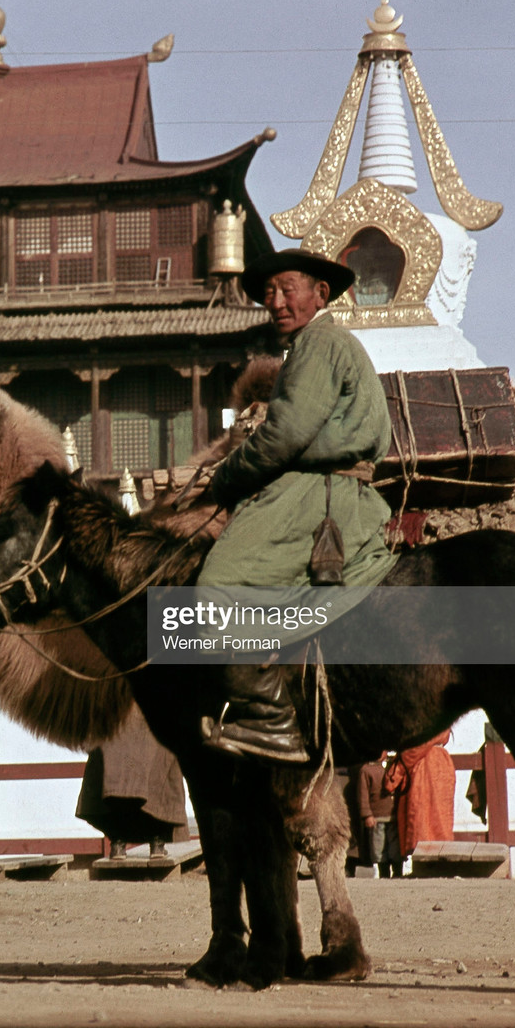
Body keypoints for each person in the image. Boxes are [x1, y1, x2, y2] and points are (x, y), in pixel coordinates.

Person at [197, 248, 395, 763]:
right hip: (330, 487)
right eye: (269, 293)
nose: (277, 301)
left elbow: (285, 435)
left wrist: (225, 480)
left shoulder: (320, 343)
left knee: (219, 584)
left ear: (320, 294)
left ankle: (270, 719)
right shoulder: (319, 345)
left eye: (288, 289)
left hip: (320, 494)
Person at [75, 703, 190, 858]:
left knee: (114, 776)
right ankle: (157, 842)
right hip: (151, 709)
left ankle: (118, 842)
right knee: (160, 769)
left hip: (116, 712)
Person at [383, 730, 456, 860]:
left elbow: (416, 749)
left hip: (425, 765)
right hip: (440, 764)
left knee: (422, 816)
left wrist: (393, 775)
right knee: (439, 816)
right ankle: (439, 857)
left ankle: (426, 859)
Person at [356, 752, 402, 878]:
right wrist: (367, 815)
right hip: (377, 816)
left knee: (395, 847)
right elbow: (363, 795)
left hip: (394, 816)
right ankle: (384, 874)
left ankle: (398, 873)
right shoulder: (366, 770)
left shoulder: (393, 767)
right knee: (379, 847)